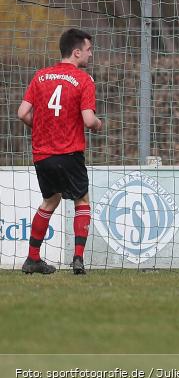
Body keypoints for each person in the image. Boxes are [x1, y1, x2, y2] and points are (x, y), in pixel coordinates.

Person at [17, 28, 102, 275]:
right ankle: (78, 259)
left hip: (42, 154)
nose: (91, 54)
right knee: (82, 201)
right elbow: (88, 119)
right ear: (76, 52)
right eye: (88, 50)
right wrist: (98, 124)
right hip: (69, 152)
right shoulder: (84, 80)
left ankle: (32, 259)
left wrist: (42, 127)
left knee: (50, 201)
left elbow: (22, 112)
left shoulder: (40, 76)